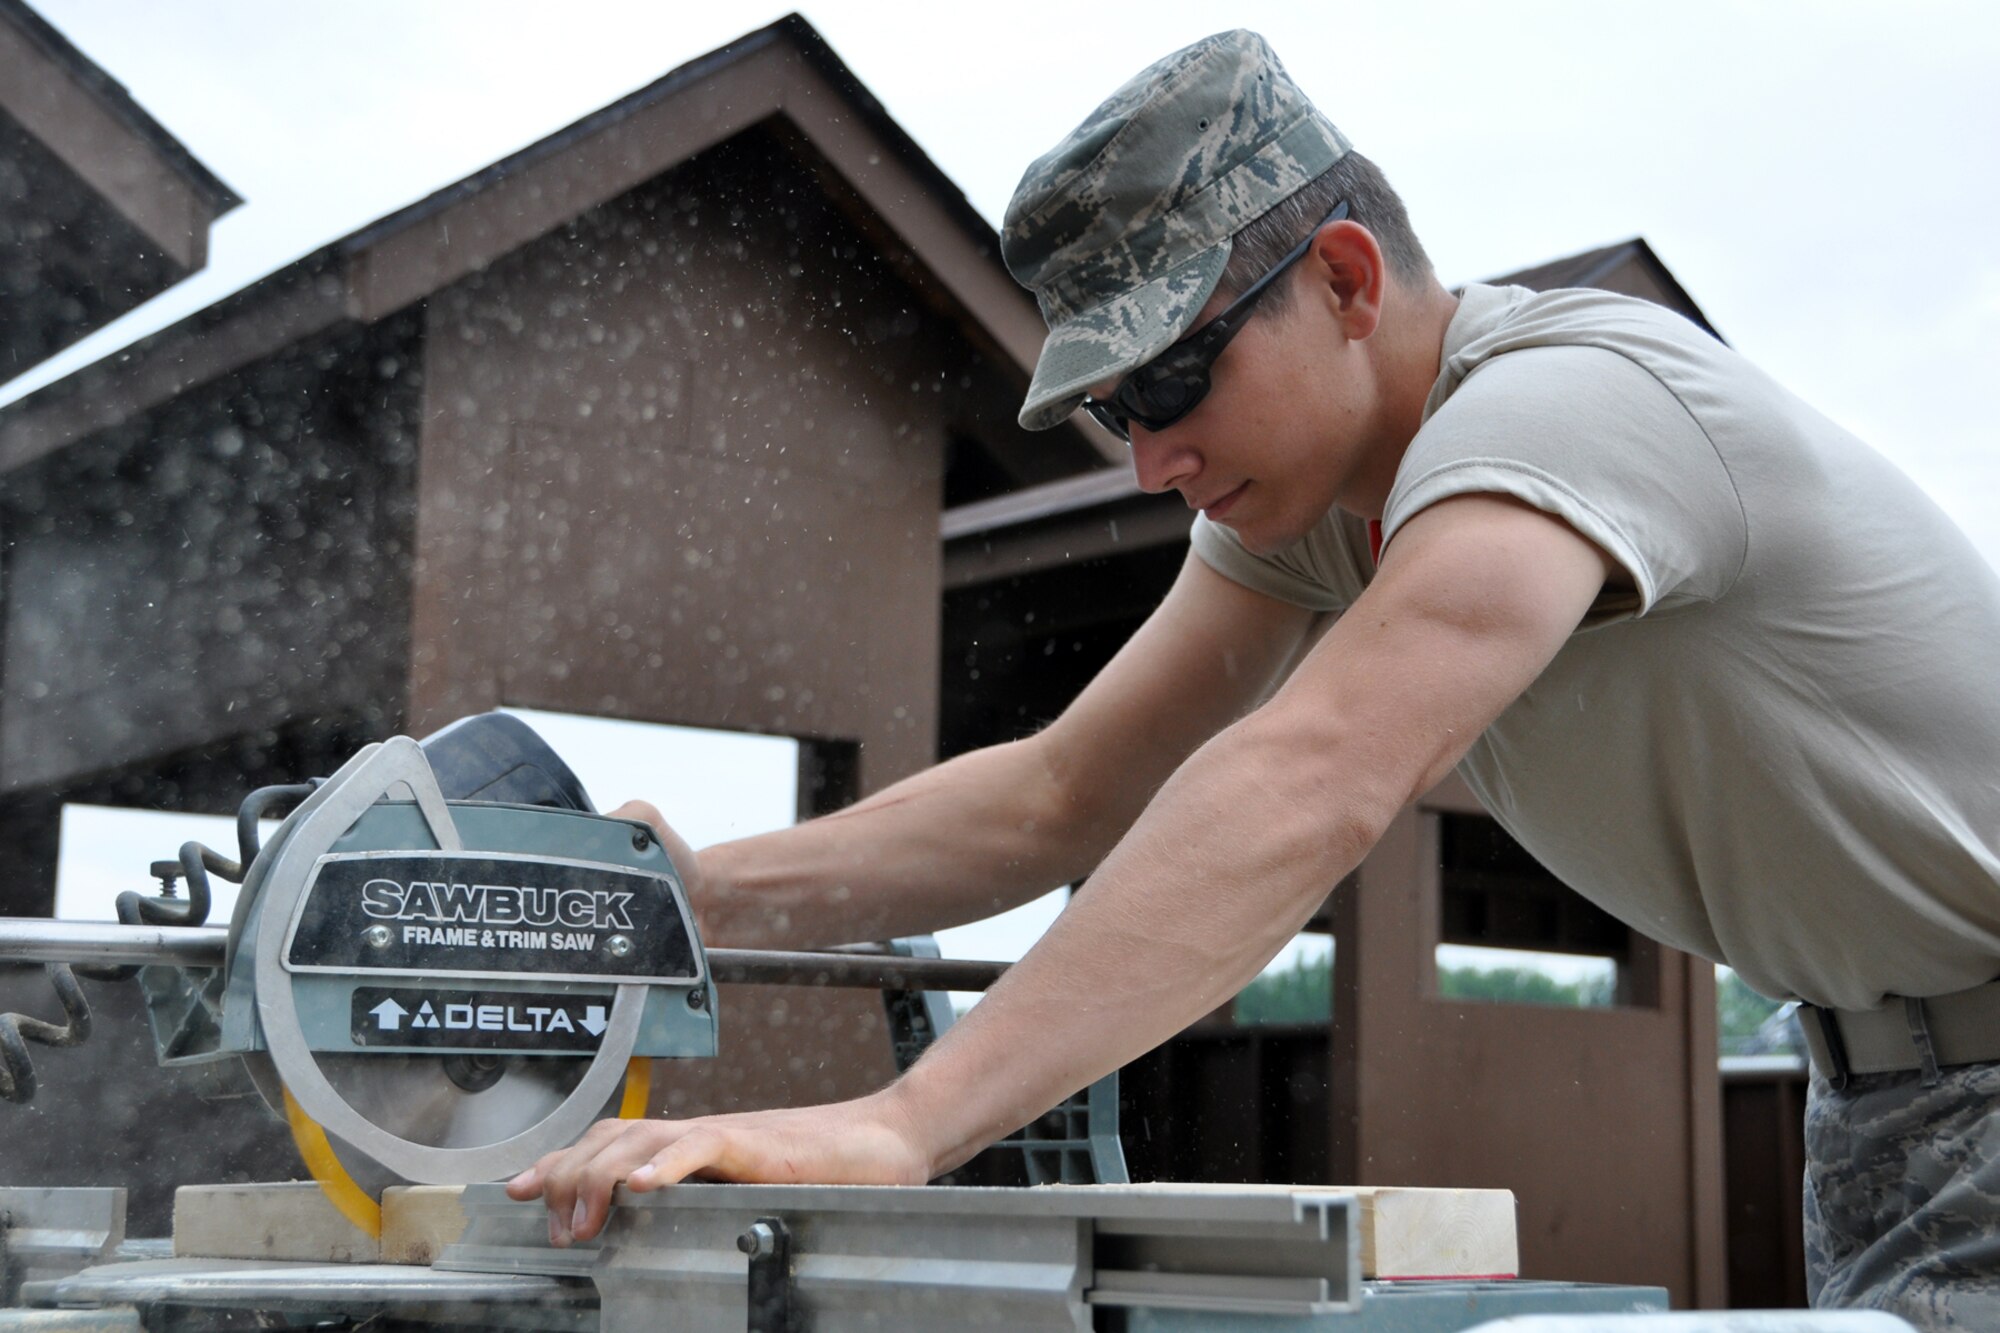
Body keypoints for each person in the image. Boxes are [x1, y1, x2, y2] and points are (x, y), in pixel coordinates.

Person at [508, 30, 2000, 1327]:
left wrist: (904, 1124)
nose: (1151, 460)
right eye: (1114, 410)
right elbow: (1065, 791)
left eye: (1171, 382)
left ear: (1346, 280)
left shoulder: (1570, 414)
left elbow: (1314, 775)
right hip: (1880, 1094)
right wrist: (688, 896)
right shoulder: (1318, 520)